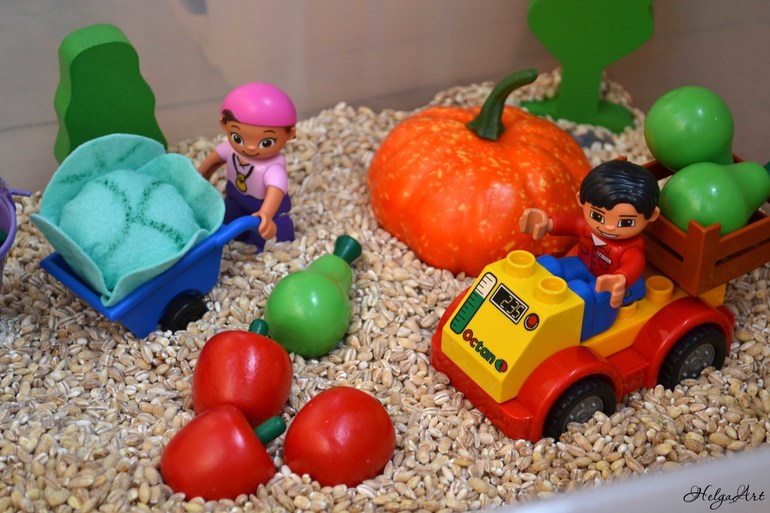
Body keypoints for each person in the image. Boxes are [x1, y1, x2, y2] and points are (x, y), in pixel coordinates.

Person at [520, 160, 660, 338]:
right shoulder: (588, 228)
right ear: (581, 200)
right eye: (598, 216)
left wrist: (621, 278)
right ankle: (525, 303)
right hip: (581, 264)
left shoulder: (630, 248)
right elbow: (569, 223)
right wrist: (547, 223)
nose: (609, 227)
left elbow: (635, 263)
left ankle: (574, 332)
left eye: (625, 222)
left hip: (608, 282)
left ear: (652, 215)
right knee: (547, 265)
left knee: (581, 293)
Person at [198, 82, 296, 250]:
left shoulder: (272, 168)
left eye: (266, 142)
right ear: (224, 125)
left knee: (265, 233)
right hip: (235, 197)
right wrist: (199, 177)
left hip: (262, 205)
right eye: (237, 138)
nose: (250, 147)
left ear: (290, 134)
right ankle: (237, 234)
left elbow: (275, 189)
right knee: (228, 222)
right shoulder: (230, 150)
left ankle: (266, 239)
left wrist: (266, 213)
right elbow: (213, 161)